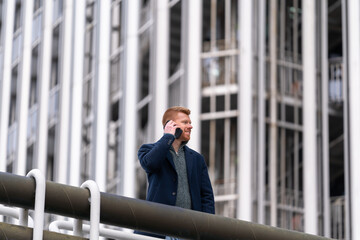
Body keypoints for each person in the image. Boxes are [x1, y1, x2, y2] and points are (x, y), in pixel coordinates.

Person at [137, 106, 215, 239]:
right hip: (159, 229)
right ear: (170, 125)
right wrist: (167, 137)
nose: (190, 126)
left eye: (190, 123)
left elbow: (206, 197)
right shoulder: (148, 150)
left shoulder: (197, 159)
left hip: (190, 230)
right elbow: (150, 164)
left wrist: (207, 230)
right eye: (185, 122)